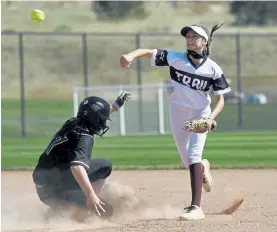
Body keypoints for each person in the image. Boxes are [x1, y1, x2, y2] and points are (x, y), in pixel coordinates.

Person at [120, 23, 231, 220]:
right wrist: (130, 55)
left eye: (194, 36)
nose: (189, 39)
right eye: (187, 36)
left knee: (194, 154)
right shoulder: (175, 58)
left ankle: (196, 207)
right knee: (186, 159)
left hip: (200, 113)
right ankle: (203, 168)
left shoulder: (213, 69)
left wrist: (210, 118)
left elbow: (220, 99)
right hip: (178, 112)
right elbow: (147, 51)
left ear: (204, 41)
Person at [32, 92, 131, 222]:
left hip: (45, 188)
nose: (103, 121)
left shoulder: (72, 124)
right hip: (57, 190)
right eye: (102, 118)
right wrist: (91, 196)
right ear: (96, 119)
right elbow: (77, 167)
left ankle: (59, 208)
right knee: (105, 209)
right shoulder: (84, 137)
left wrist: (116, 106)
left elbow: (94, 114)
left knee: (93, 172)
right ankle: (65, 208)